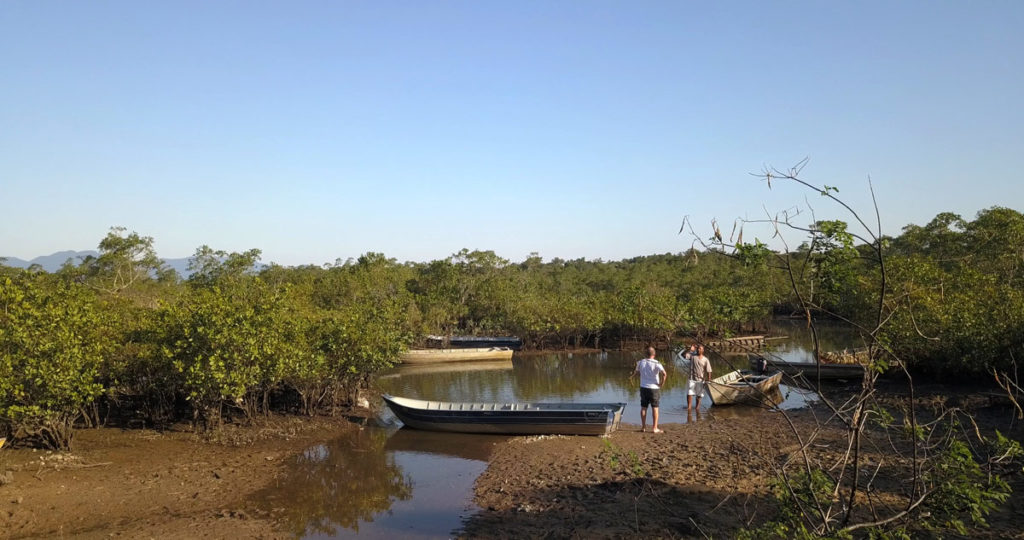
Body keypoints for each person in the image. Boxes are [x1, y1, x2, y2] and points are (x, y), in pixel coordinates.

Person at [630, 346, 667, 433]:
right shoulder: (657, 363)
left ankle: (643, 427)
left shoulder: (640, 362)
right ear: (654, 354)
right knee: (655, 408)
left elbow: (637, 372)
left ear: (646, 354)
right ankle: (654, 428)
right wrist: (662, 383)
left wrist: (635, 377)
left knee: (643, 407)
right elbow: (664, 374)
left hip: (643, 387)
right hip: (654, 388)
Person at [687, 344, 712, 410]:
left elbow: (709, 371)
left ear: (703, 350)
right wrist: (690, 350)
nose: (698, 350)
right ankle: (689, 408)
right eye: (698, 348)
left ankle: (697, 408)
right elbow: (685, 356)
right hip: (692, 378)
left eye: (700, 349)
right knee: (689, 393)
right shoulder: (692, 356)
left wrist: (709, 380)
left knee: (699, 395)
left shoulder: (705, 359)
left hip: (700, 380)